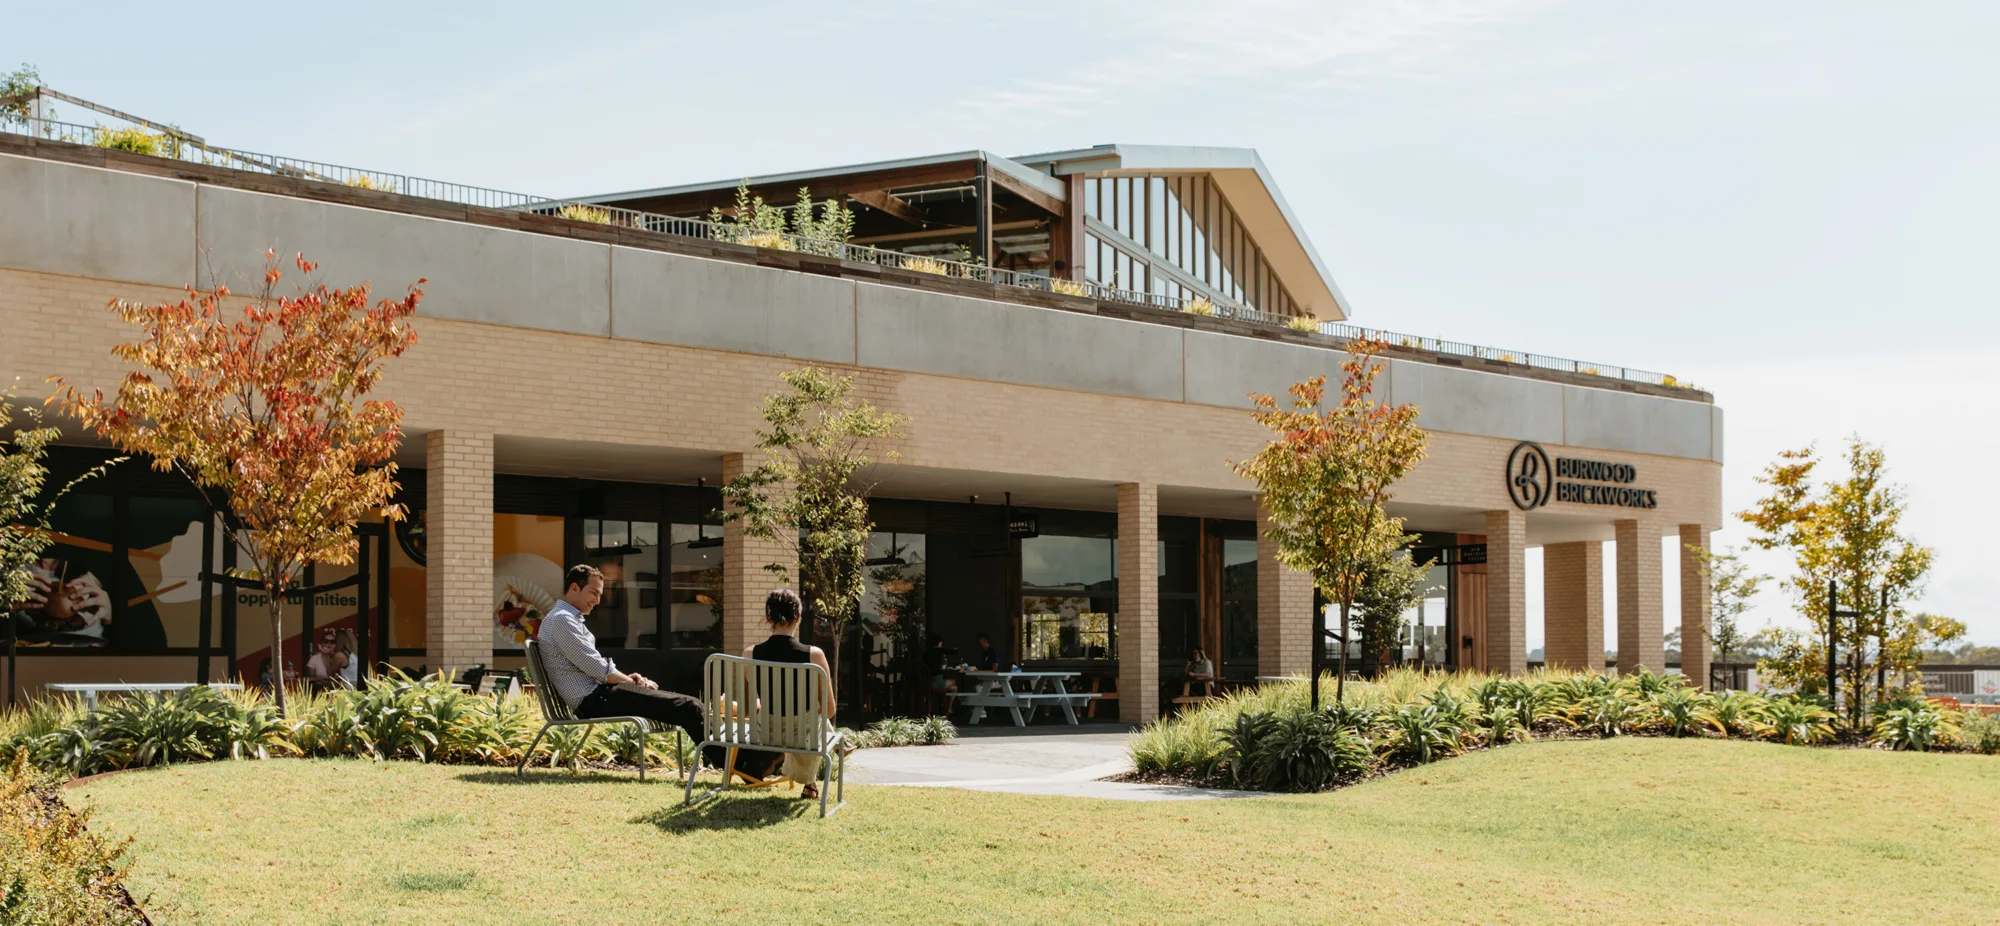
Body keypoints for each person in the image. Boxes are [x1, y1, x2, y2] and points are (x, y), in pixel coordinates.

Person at [535, 564, 723, 767]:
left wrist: (630, 680)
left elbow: (596, 667)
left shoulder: (566, 619)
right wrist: (632, 683)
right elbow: (599, 670)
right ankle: (736, 763)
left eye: (600, 594)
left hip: (600, 695)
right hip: (596, 700)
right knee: (690, 707)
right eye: (593, 593)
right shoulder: (562, 620)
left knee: (691, 705)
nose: (597, 601)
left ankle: (736, 760)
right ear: (574, 588)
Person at [742, 588, 841, 799]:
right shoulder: (814, 655)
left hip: (766, 732)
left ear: (769, 619)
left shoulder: (749, 654)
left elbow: (749, 707)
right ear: (798, 617)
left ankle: (811, 783)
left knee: (807, 720)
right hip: (804, 734)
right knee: (813, 717)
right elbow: (830, 710)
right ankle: (812, 782)